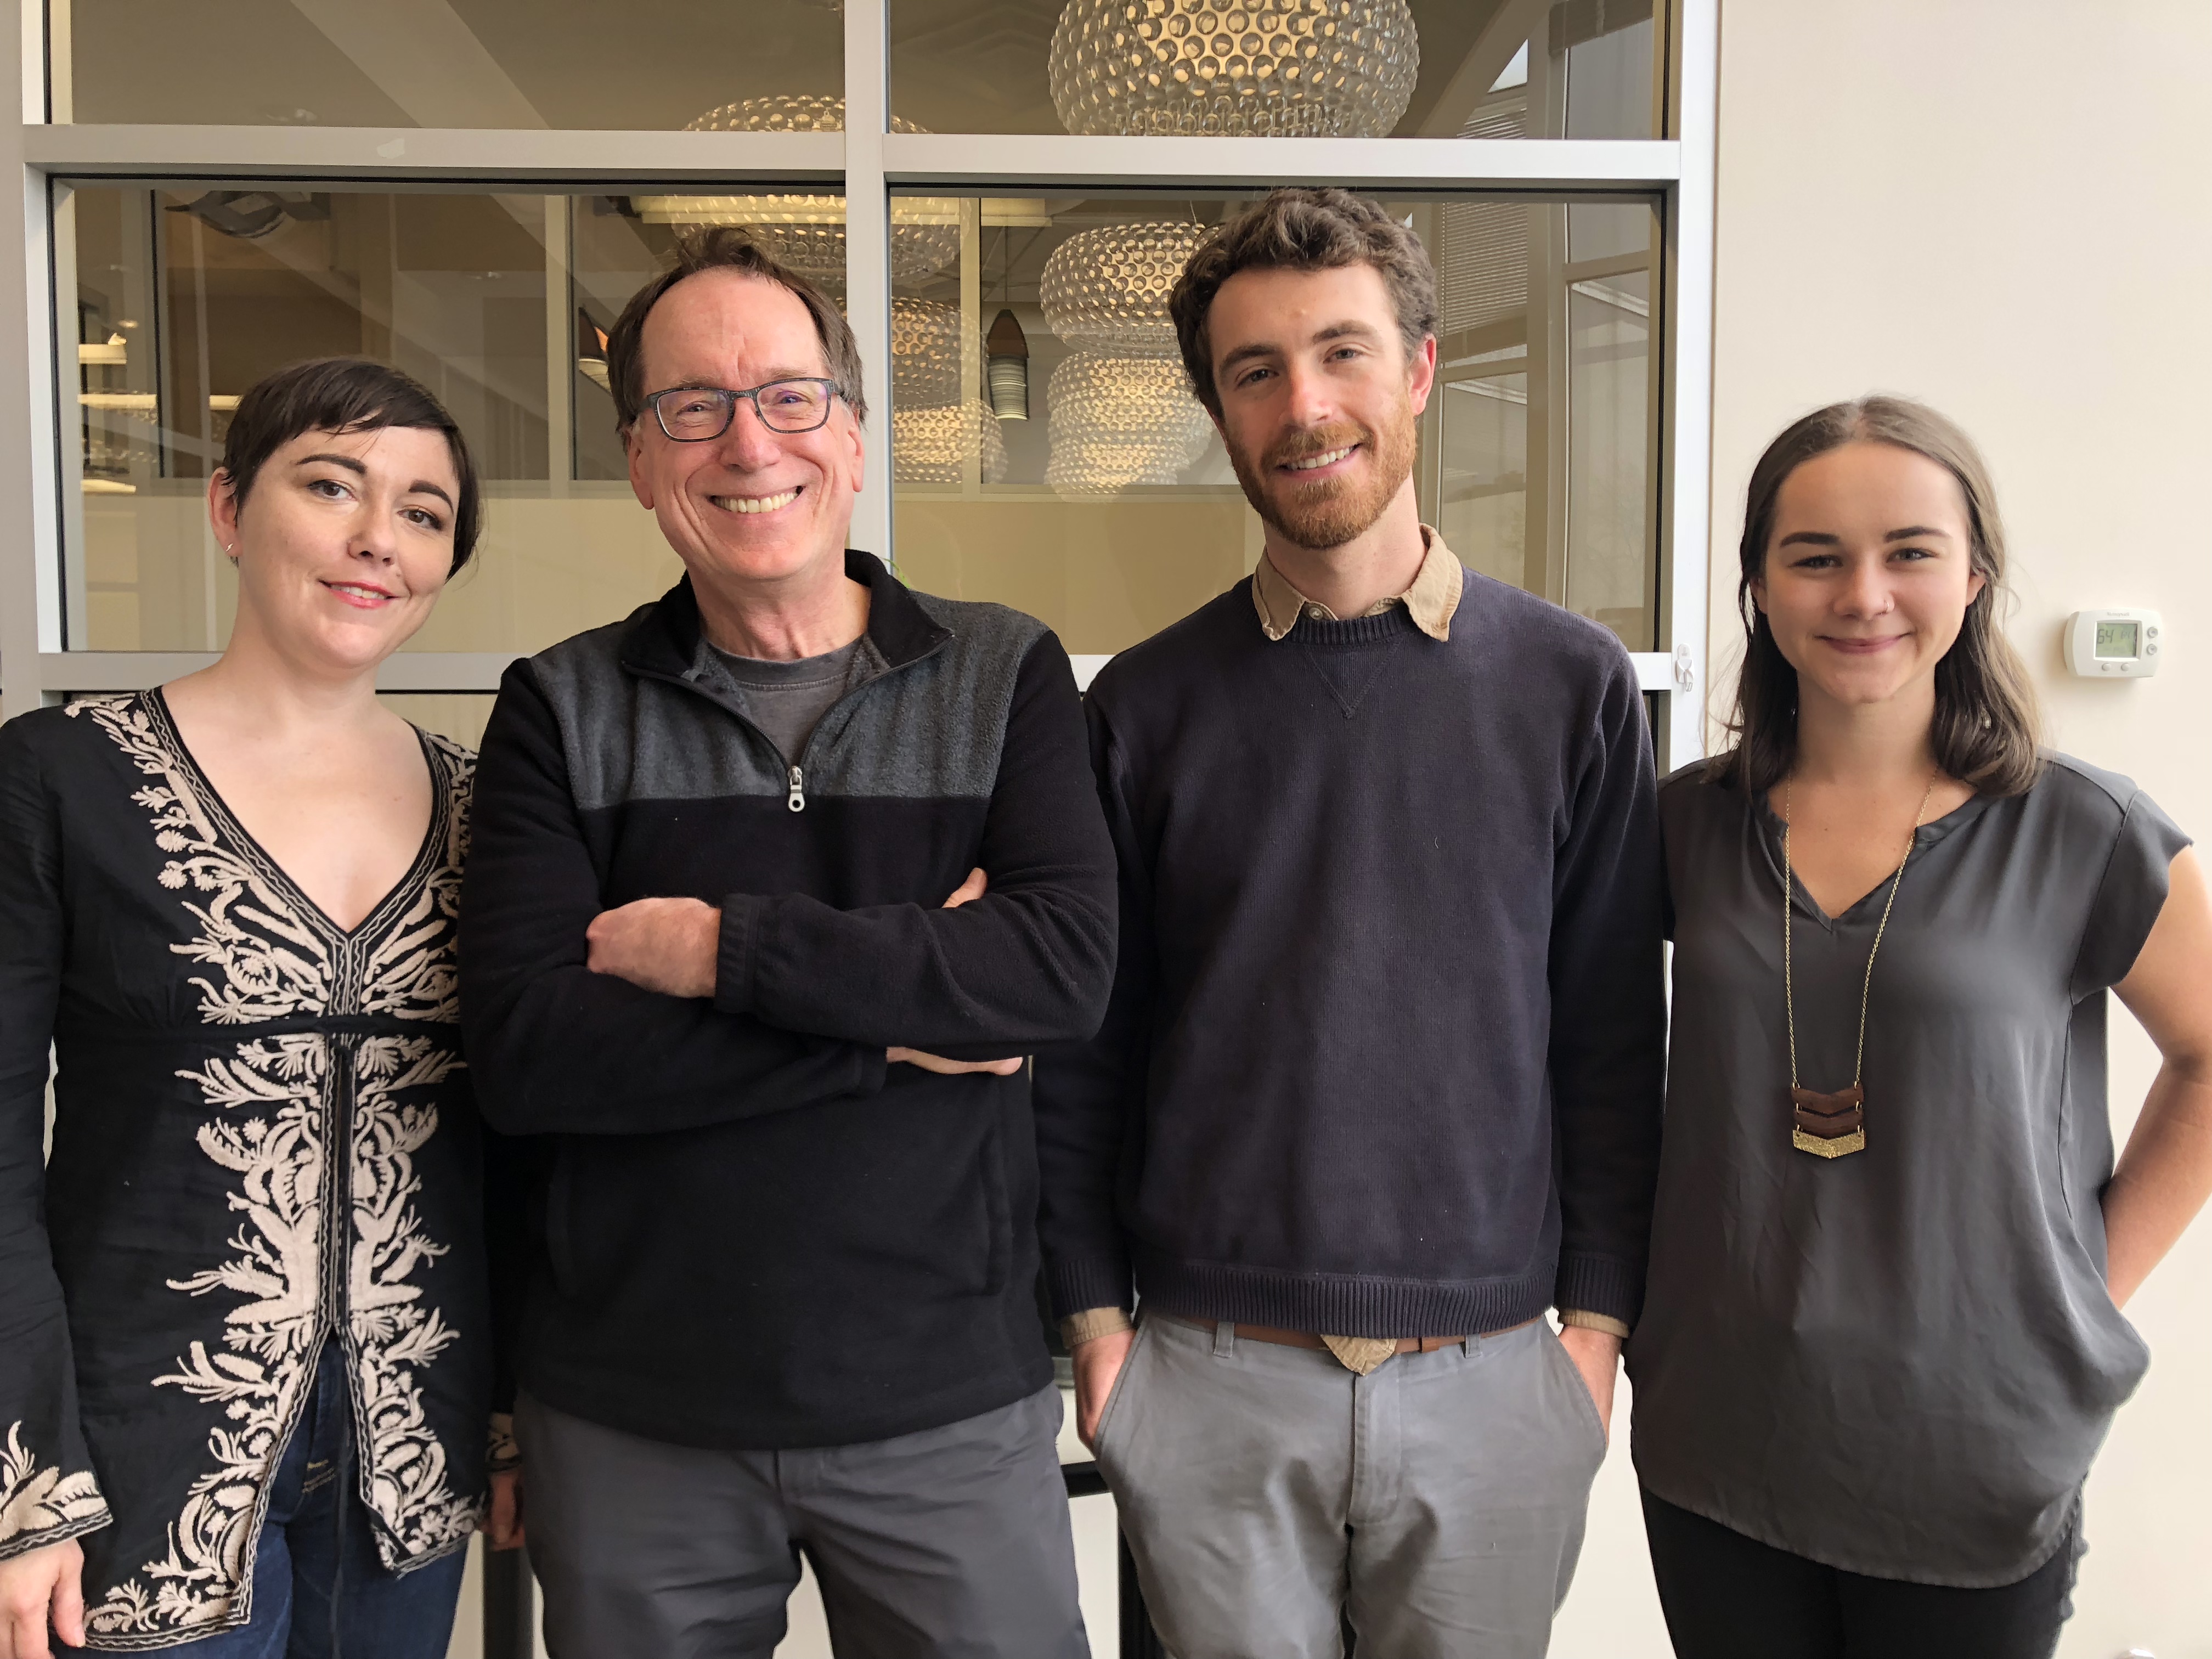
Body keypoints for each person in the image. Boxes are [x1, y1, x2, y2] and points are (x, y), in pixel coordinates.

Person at [459, 228, 1115, 1659]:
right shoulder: (559, 710)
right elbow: (529, 1056)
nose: (747, 441)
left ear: (858, 437)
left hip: (946, 1395)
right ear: (640, 458)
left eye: (789, 396)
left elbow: (1052, 974)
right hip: (635, 1417)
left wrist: (715, 954)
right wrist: (892, 1019)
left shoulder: (1006, 674)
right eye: (691, 404)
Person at [1034, 187, 1667, 1659]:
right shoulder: (1144, 705)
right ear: (1217, 409)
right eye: (1255, 372)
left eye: (1342, 354)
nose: (1304, 406)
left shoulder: (1571, 688)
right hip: (1207, 1371)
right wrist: (1100, 1335)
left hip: (1500, 1374)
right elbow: (1086, 1052)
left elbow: (1613, 1045)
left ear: (1422, 371)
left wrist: (1591, 1340)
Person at [1628, 397, 2212, 1658]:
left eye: (1909, 551)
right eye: (1816, 556)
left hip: (1975, 1450)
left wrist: (2086, 1283)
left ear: (1976, 575)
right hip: (1721, 1438)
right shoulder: (1683, 828)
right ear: (1760, 589)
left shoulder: (2085, 833)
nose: (1864, 595)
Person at [0, 359, 499, 1658]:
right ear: (229, 507)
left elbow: (515, 1139)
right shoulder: (60, 778)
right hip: (136, 1449)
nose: (375, 539)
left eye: (424, 513)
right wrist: (23, 1488)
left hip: (411, 1448)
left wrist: (512, 1420)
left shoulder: (485, 809)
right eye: (330, 485)